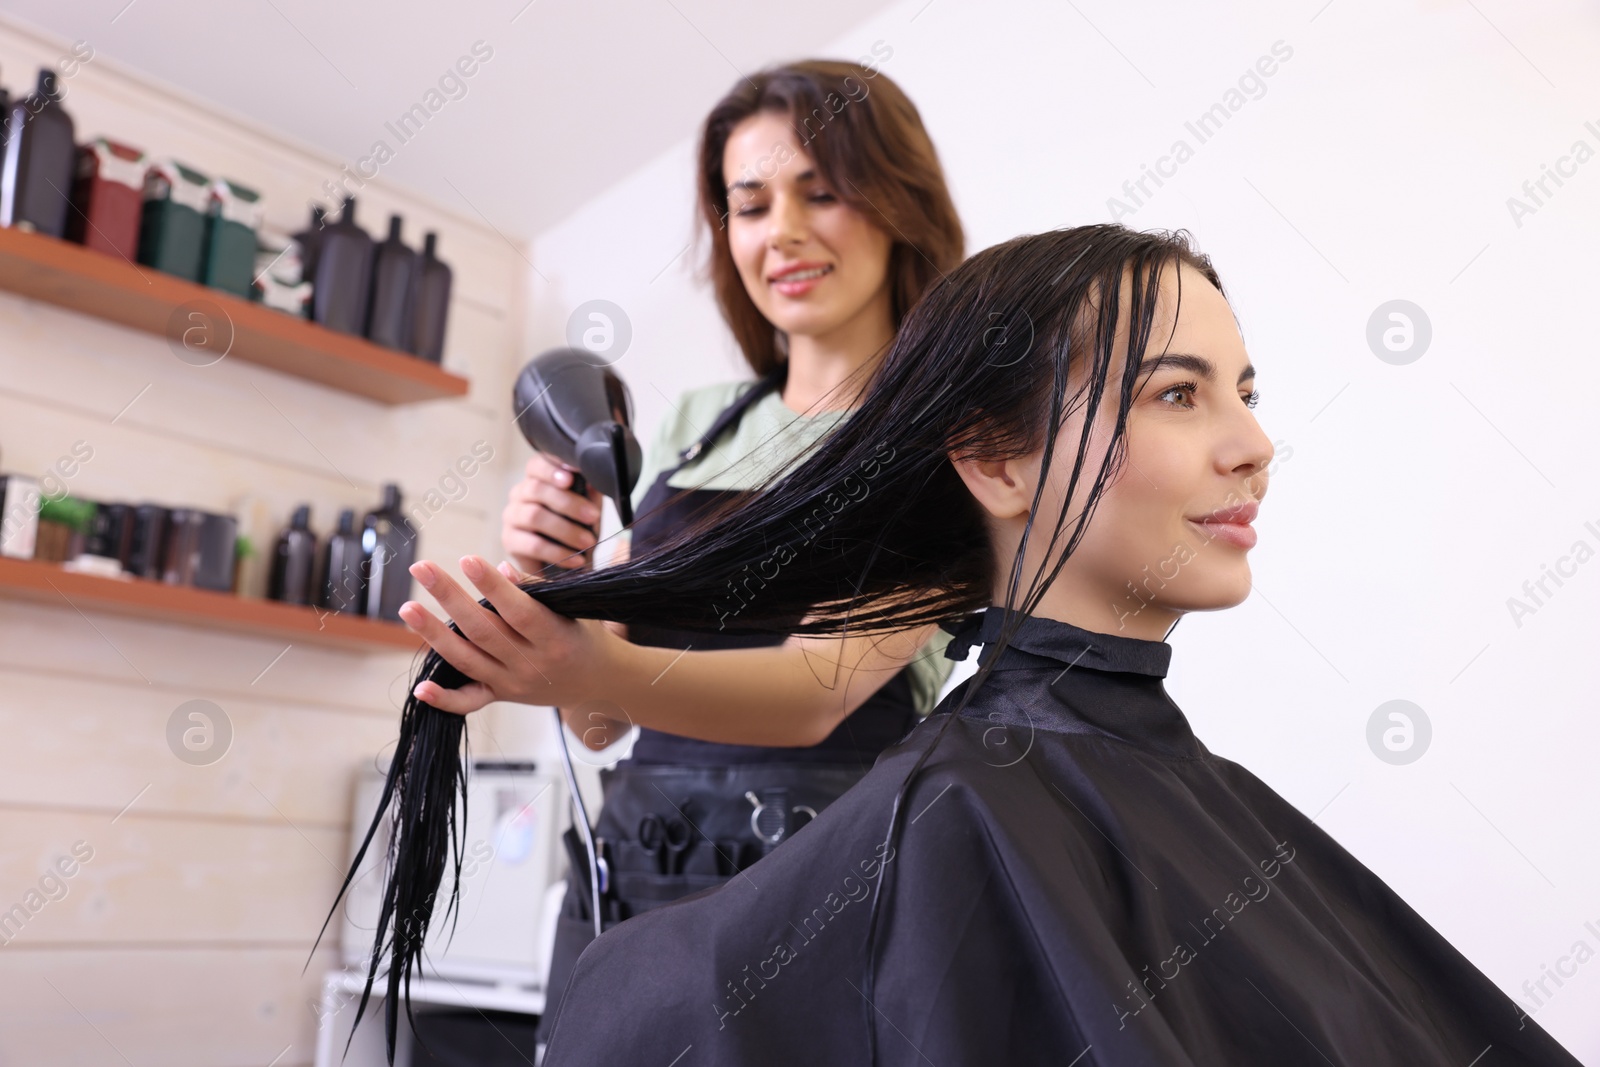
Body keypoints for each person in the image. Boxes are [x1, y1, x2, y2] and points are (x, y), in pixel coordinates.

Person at [444, 223, 1585, 1065]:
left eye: (1242, 391)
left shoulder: (1166, 792)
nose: (1255, 443)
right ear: (994, 461)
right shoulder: (961, 819)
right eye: (1178, 396)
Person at [390, 59, 965, 1050]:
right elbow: (603, 718)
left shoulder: (943, 437)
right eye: (747, 205)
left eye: (819, 192)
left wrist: (591, 659)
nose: (777, 231)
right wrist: (562, 588)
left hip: (821, 891)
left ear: (898, 203)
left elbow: (818, 690)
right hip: (634, 884)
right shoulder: (697, 426)